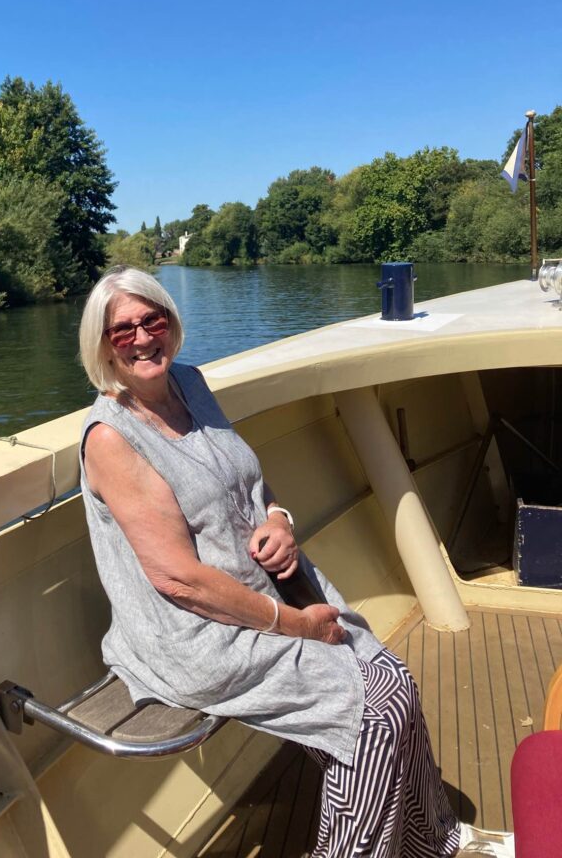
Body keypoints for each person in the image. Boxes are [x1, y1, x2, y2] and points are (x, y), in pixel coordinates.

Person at [78, 265, 514, 858]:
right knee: (372, 718)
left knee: (395, 682)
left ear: (170, 322)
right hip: (193, 635)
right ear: (102, 346)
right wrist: (297, 624)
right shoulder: (112, 438)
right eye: (121, 332)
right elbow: (177, 580)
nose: (141, 339)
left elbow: (250, 485)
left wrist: (279, 520)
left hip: (268, 585)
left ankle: (427, 837)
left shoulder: (190, 383)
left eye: (151, 320)